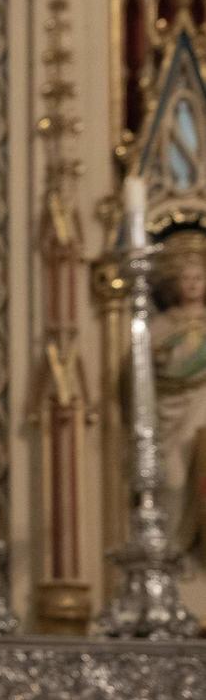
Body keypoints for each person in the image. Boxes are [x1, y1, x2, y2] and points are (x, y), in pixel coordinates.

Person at [152, 228, 206, 560]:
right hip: (170, 410)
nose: (193, 284)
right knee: (171, 479)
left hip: (202, 406)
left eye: (199, 277)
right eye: (186, 278)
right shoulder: (161, 325)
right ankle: (169, 552)